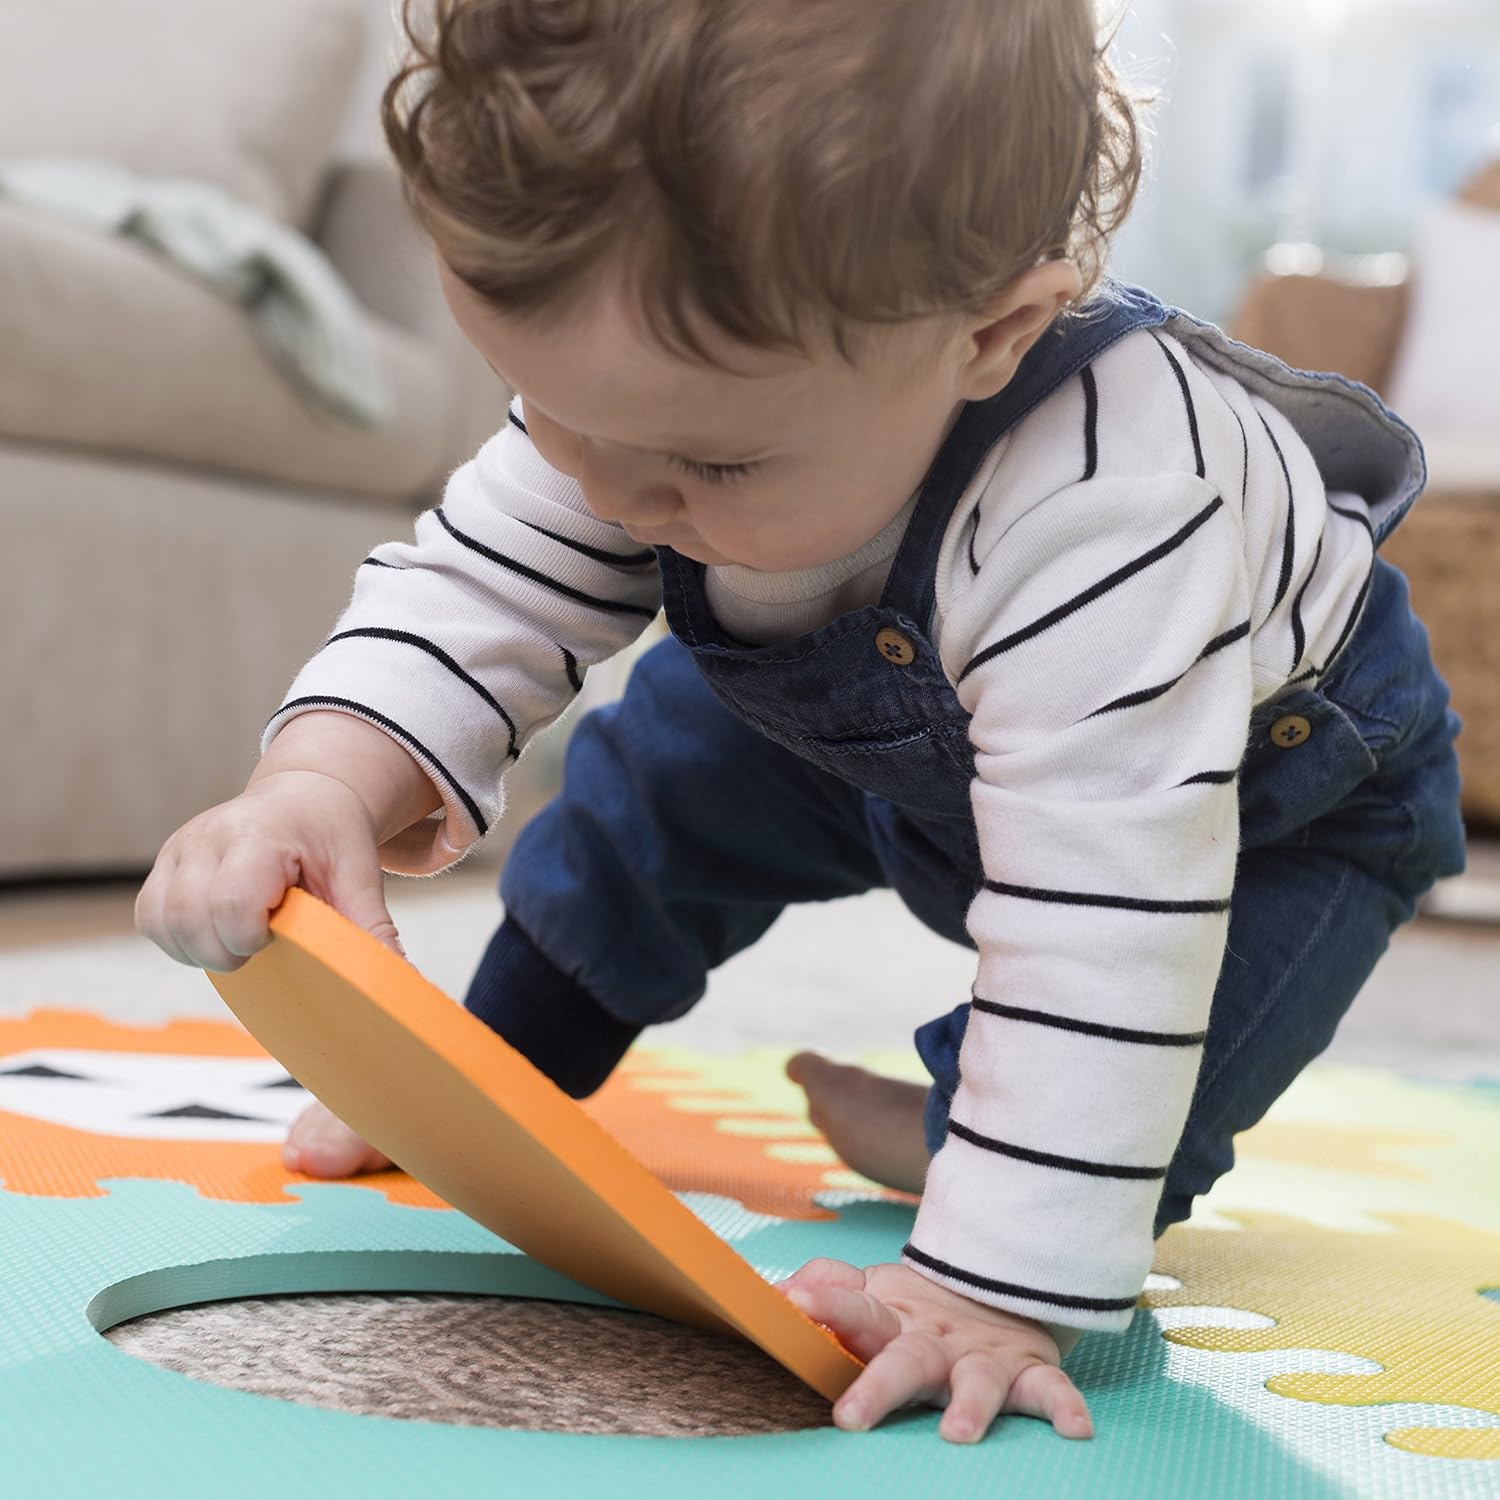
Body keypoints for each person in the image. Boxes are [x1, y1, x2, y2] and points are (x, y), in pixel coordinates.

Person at [135, 0, 1465, 1446]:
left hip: (1265, 805)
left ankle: (969, 1134)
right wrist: (317, 778)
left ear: (994, 332)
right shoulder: (656, 402)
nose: (616, 493)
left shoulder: (1119, 505)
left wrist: (989, 1289)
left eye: (710, 460)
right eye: (553, 411)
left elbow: (1105, 921)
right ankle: (506, 1057)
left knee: (1147, 1083)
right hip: (892, 727)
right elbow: (480, 585)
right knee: (649, 785)